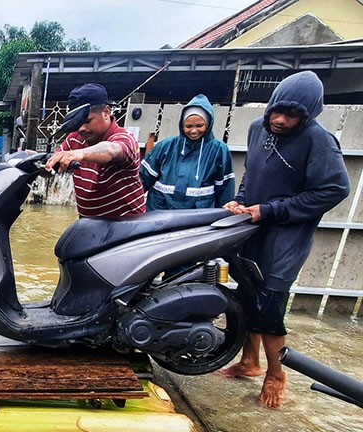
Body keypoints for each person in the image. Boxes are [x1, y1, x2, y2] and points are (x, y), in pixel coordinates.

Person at [219, 71, 350, 408]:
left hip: (286, 234)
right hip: (252, 224)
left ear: (308, 115)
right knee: (246, 293)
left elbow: (334, 189)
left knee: (270, 302)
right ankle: (250, 362)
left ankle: (276, 374)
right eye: (276, 111)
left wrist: (272, 210)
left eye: (291, 115)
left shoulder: (319, 141)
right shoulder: (256, 129)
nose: (279, 120)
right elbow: (251, 173)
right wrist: (241, 200)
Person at [44, 83, 146, 217]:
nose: (81, 128)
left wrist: (80, 153)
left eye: (87, 121)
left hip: (127, 227)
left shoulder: (124, 139)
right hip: (90, 225)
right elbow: (53, 165)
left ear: (106, 112)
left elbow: (111, 150)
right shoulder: (75, 138)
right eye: (77, 122)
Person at [140, 94, 235, 210]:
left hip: (197, 220)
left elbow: (225, 190)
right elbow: (141, 180)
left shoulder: (219, 150)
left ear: (209, 124)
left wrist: (224, 219)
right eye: (188, 126)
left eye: (200, 125)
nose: (194, 131)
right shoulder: (165, 147)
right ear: (181, 125)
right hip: (160, 216)